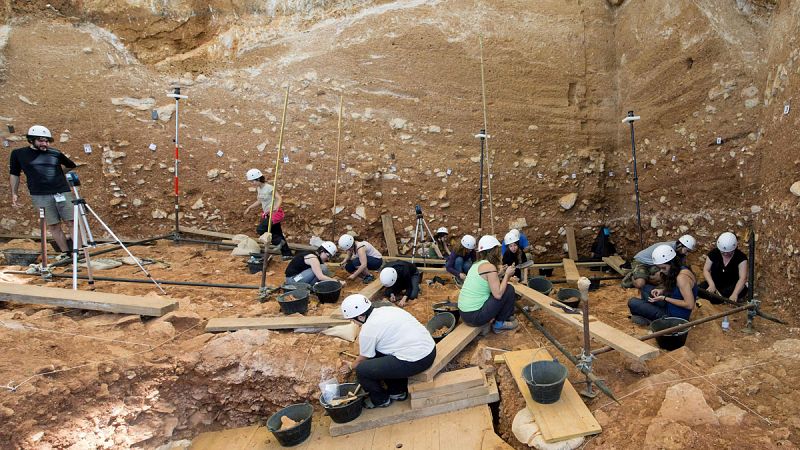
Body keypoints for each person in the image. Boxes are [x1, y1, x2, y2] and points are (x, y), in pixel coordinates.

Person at [341, 294, 436, 409]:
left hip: (417, 360)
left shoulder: (368, 331)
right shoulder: (387, 309)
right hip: (430, 350)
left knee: (362, 370)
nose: (354, 323)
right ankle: (397, 392)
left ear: (360, 317)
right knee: (382, 350)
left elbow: (363, 359)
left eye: (353, 320)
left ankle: (381, 400)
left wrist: (351, 366)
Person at [9, 125, 76, 255]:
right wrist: (14, 193)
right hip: (39, 195)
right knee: (53, 225)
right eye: (41, 140)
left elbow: (71, 165)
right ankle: (66, 254)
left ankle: (78, 254)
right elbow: (14, 174)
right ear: (31, 140)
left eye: (47, 141)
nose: (45, 143)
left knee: (72, 222)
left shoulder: (55, 152)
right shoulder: (18, 154)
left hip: (61, 191)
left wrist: (58, 174)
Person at [457, 235, 518, 334]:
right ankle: (499, 324)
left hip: (464, 314)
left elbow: (485, 282)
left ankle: (504, 316)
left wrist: (499, 274)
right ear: (494, 251)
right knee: (509, 289)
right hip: (475, 317)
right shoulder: (490, 267)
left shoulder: (476, 264)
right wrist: (507, 275)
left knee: (500, 289)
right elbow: (498, 295)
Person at [627, 244, 697, 325]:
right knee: (646, 288)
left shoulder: (681, 278)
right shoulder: (680, 269)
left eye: (664, 268)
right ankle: (649, 313)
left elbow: (690, 305)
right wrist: (662, 291)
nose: (662, 271)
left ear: (672, 264)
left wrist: (664, 298)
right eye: (660, 268)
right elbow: (677, 288)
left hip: (675, 318)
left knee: (632, 302)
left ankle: (651, 319)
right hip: (671, 306)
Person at [621, 234, 696, 298]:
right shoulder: (667, 248)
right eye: (687, 251)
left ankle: (646, 276)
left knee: (660, 277)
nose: (687, 254)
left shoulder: (680, 253)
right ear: (680, 246)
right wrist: (661, 272)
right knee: (640, 284)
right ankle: (632, 275)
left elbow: (678, 267)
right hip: (641, 261)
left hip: (656, 264)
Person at [244, 168, 293, 260]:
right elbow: (259, 200)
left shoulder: (269, 188)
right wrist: (249, 207)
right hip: (267, 214)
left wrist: (276, 207)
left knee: (261, 229)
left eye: (252, 181)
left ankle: (279, 242)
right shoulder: (259, 189)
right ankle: (287, 254)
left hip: (274, 214)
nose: (252, 184)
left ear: (258, 179)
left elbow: (279, 198)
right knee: (277, 233)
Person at [701, 232, 748, 303]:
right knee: (698, 290)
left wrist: (735, 294)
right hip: (715, 282)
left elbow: (742, 278)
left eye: (729, 252)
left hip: (731, 286)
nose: (725, 254)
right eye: (723, 252)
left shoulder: (741, 258)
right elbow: (706, 270)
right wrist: (711, 284)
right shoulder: (713, 253)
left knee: (717, 299)